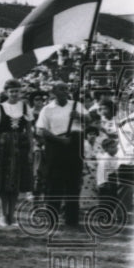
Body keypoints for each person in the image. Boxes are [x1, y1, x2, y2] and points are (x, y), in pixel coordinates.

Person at [35, 80, 87, 227]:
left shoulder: (76, 105)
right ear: (54, 92)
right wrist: (59, 140)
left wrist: (79, 117)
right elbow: (40, 130)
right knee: (54, 182)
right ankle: (52, 217)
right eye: (61, 89)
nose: (65, 91)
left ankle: (72, 219)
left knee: (73, 182)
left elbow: (90, 120)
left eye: (66, 89)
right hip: (56, 145)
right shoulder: (47, 109)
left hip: (75, 143)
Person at [0, 80, 34, 228]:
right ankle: (3, 215)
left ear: (20, 92)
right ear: (6, 93)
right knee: (3, 182)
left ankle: (12, 215)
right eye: (11, 91)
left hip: (20, 147)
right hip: (5, 147)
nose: (14, 94)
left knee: (16, 182)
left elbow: (29, 130)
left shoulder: (25, 106)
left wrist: (30, 149)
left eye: (17, 91)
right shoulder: (0, 108)